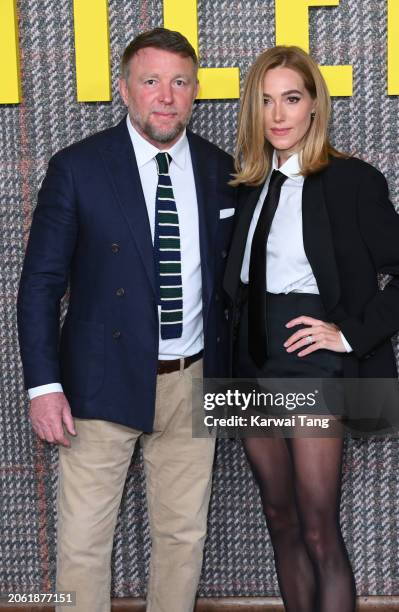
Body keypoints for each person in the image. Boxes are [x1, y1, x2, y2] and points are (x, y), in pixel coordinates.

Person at [17, 28, 236, 612]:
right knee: (84, 543)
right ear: (125, 90)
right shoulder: (79, 168)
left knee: (183, 537)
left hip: (192, 382)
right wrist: (44, 387)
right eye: (151, 81)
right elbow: (40, 284)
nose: (166, 95)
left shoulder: (221, 170)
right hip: (97, 382)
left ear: (194, 93)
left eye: (179, 82)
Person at [223, 46, 399, 612]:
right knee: (279, 516)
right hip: (245, 365)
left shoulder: (351, 181)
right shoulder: (244, 184)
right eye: (265, 101)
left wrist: (346, 335)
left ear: (315, 105)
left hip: (310, 367)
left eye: (291, 99)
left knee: (318, 527)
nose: (278, 115)